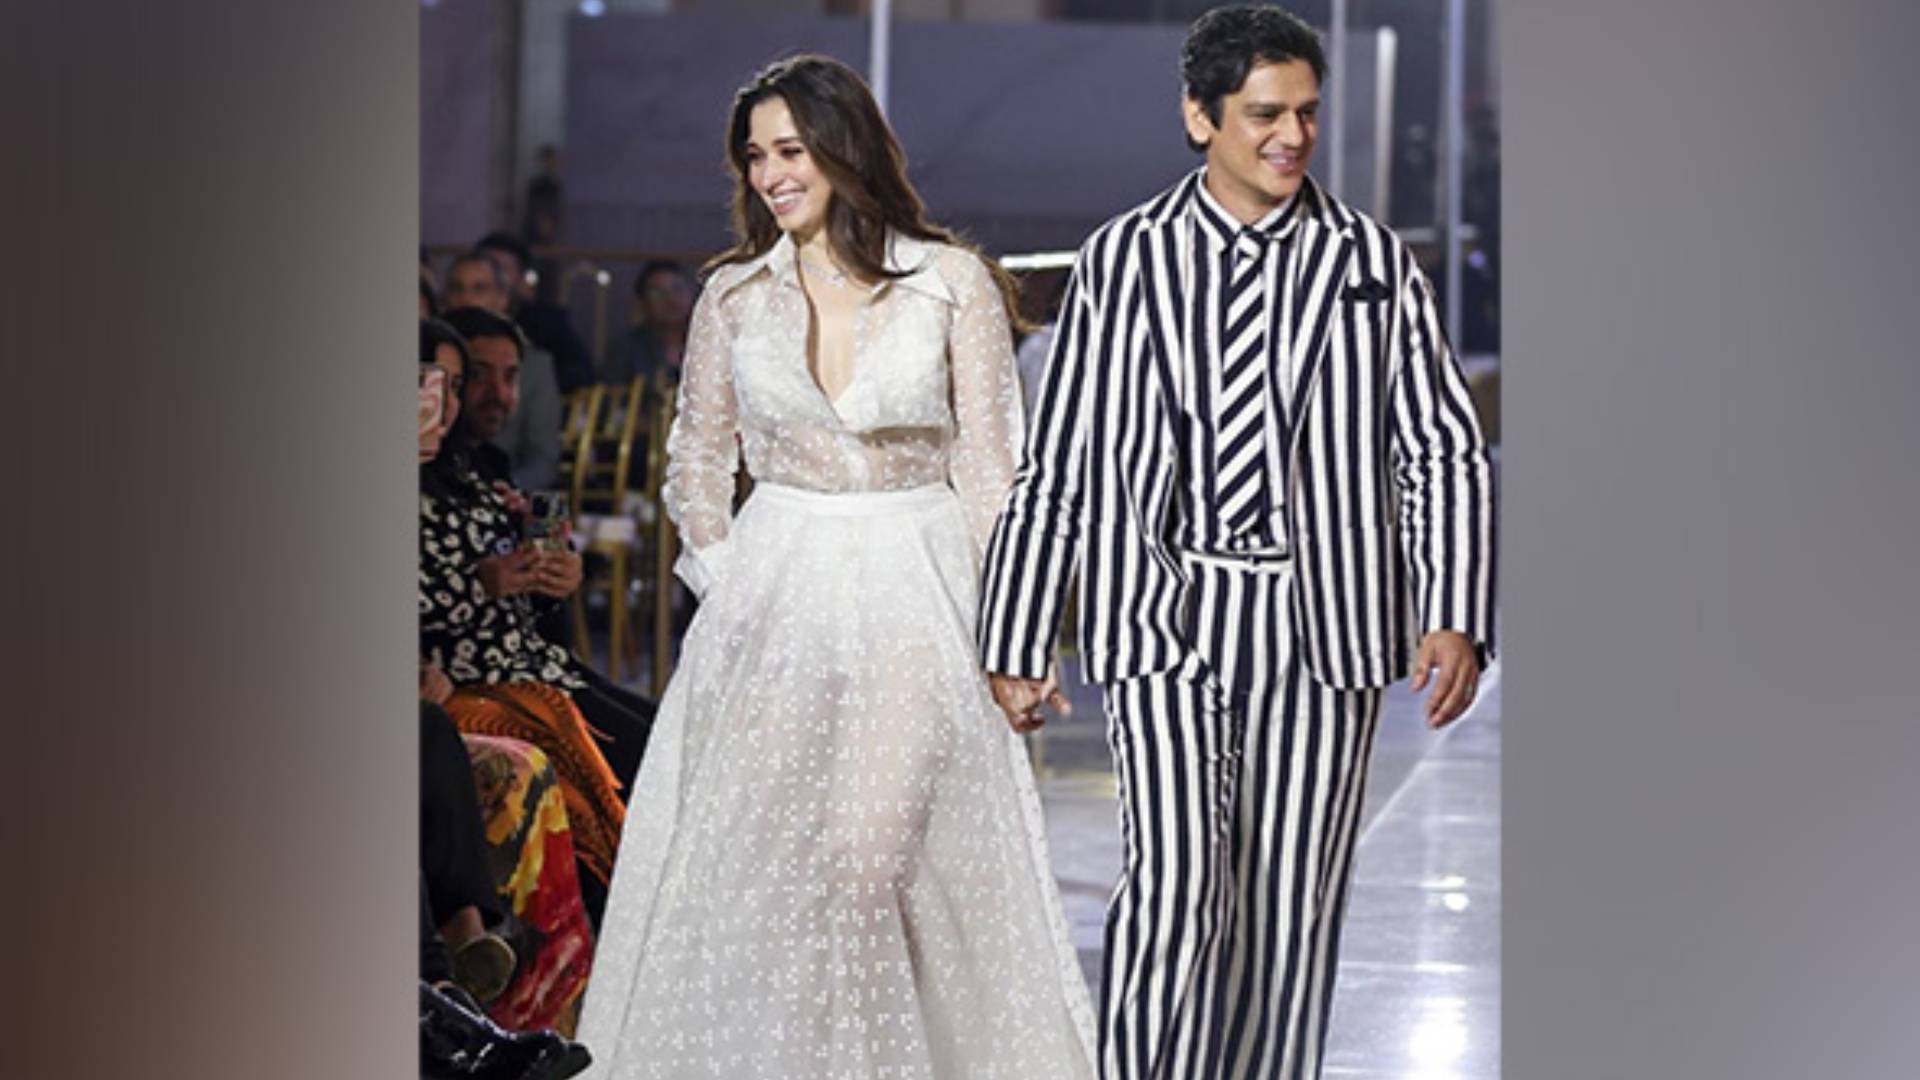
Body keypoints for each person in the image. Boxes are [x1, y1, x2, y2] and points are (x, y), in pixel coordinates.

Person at [977, 7, 1498, 1079]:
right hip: (1163, 616)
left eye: (1307, 113)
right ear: (1198, 116)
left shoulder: (1370, 264)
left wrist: (1453, 611)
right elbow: (1060, 459)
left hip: (1327, 625)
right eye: (1265, 114)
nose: (1292, 136)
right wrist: (1017, 634)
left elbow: (1442, 449)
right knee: (1173, 887)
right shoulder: (1126, 261)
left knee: (1290, 909)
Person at [574, 55, 1098, 1078]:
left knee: (866, 861)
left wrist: (1018, 633)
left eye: (792, 150)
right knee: (774, 875)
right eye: (756, 156)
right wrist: (731, 582)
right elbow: (696, 464)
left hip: (917, 586)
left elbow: (995, 473)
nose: (772, 174)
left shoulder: (949, 284)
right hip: (771, 601)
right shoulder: (734, 297)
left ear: (845, 148)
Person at [420, 309, 657, 928]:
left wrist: (554, 575)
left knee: (660, 734)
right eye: (466, 380)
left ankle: (640, 917)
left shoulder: (474, 469)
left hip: (529, 663)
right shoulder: (428, 474)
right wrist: (481, 584)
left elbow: (517, 595)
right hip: (476, 676)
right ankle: (610, 923)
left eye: (454, 386)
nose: (454, 402)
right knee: (609, 759)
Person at [443, 254, 565, 492]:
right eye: (457, 289)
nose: (466, 299)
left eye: (479, 289)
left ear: (503, 298)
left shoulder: (535, 364)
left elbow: (543, 459)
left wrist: (499, 492)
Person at [477, 231, 596, 394]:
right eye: (485, 267)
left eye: (501, 268)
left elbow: (579, 373)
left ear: (520, 277)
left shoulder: (546, 323)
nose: (492, 276)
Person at [599, 259, 696, 389]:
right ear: (643, 303)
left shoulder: (709, 343)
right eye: (658, 293)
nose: (670, 299)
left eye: (677, 289)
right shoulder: (625, 349)